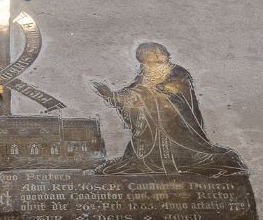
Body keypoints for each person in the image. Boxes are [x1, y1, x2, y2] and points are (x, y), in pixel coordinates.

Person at [91, 42, 247, 176]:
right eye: (145, 63)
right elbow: (133, 92)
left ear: (159, 55)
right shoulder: (145, 75)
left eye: (151, 60)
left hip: (178, 129)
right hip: (150, 132)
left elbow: (178, 96)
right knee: (128, 165)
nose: (148, 66)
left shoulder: (177, 72)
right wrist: (111, 95)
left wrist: (148, 94)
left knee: (215, 160)